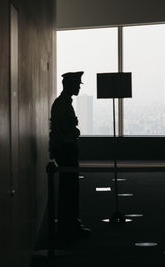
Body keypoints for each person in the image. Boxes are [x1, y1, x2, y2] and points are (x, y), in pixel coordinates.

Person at [49, 71, 90, 240]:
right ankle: (69, 226)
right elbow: (61, 130)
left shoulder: (64, 103)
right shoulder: (62, 104)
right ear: (69, 85)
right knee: (68, 190)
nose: (78, 88)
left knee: (70, 189)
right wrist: (73, 132)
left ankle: (71, 223)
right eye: (76, 85)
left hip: (67, 148)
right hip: (66, 150)